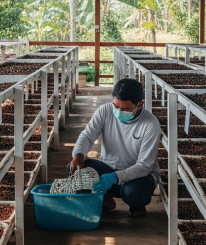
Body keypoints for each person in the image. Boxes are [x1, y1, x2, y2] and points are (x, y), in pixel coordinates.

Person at [68, 78, 161, 218]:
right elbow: (87, 135)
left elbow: (144, 166)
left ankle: (137, 206)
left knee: (133, 192)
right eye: (116, 106)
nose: (119, 111)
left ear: (139, 105)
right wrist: (79, 154)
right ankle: (105, 199)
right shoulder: (105, 111)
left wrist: (115, 177)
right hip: (109, 168)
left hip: (139, 176)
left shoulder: (150, 124)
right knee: (75, 169)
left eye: (126, 109)